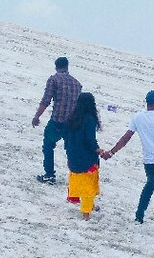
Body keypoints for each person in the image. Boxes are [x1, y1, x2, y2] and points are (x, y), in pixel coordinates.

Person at [105, 90, 154, 243]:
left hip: (149, 162)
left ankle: (139, 215)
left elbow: (126, 138)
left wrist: (111, 152)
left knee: (149, 185)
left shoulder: (138, 117)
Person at [32, 56, 82, 184]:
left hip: (57, 121)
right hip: (72, 123)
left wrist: (37, 116)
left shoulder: (54, 80)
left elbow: (46, 100)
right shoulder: (77, 83)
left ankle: (49, 174)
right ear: (67, 66)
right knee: (71, 151)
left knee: (48, 146)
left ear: (56, 67)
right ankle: (76, 177)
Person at [63, 92, 106, 220]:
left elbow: (66, 136)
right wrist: (98, 150)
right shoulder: (89, 119)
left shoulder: (71, 118)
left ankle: (90, 206)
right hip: (87, 157)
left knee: (80, 181)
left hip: (73, 155)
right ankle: (86, 214)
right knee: (89, 185)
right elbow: (90, 139)